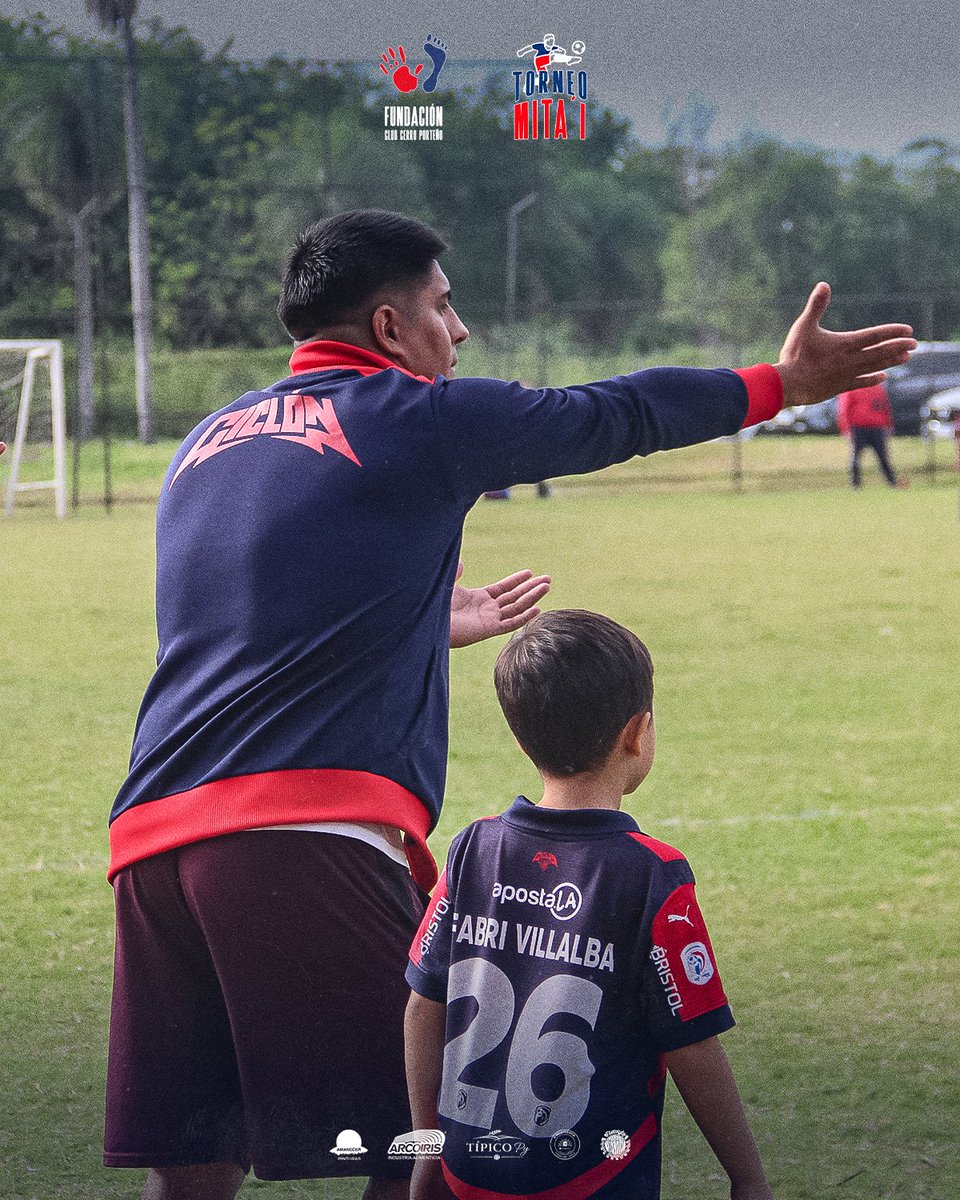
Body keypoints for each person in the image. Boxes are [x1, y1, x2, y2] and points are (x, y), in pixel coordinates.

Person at [104, 208, 914, 1200]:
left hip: (149, 844)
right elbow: (607, 413)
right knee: (438, 1136)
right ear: (392, 328)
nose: (463, 330)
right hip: (296, 832)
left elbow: (230, 611)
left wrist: (409, 615)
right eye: (445, 306)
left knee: (192, 1164)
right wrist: (780, 387)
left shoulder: (208, 440)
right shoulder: (408, 414)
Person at [405, 610, 773, 1200]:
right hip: (592, 1179)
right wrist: (748, 1178)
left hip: (468, 1175)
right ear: (638, 732)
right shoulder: (652, 874)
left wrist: (427, 1146)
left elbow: (425, 1005)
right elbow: (693, 1042)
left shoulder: (474, 847)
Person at [836, 380, 905, 488]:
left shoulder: (877, 388)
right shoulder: (851, 388)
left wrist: (889, 425)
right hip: (858, 428)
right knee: (855, 458)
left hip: (876, 428)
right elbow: (844, 410)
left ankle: (892, 483)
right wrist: (846, 429)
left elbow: (885, 407)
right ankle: (855, 485)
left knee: (883, 457)